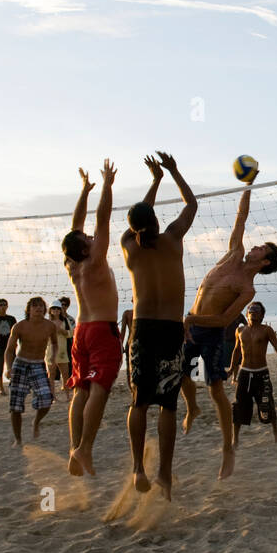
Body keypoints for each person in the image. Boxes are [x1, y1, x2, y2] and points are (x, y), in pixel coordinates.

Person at [180, 170, 277, 481]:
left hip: (208, 331)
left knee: (215, 389)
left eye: (261, 249)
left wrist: (193, 319)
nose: (254, 247)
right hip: (191, 325)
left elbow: (226, 320)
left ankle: (228, 449)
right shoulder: (233, 253)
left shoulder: (248, 289)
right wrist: (248, 186)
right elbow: (241, 216)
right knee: (180, 376)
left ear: (264, 262)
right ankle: (191, 408)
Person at [120, 152, 196, 500]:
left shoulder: (128, 247)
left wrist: (153, 183)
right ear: (155, 220)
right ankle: (164, 472)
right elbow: (191, 204)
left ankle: (138, 468)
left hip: (143, 330)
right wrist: (172, 173)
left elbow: (140, 214)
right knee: (167, 404)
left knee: (139, 402)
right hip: (169, 330)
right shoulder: (172, 239)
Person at [61, 161, 123, 477]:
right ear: (86, 247)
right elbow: (103, 218)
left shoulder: (72, 264)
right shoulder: (95, 261)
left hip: (81, 330)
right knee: (100, 388)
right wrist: (108, 185)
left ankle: (75, 447)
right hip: (101, 330)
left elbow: (77, 224)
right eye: (87, 238)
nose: (89, 236)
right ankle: (85, 449)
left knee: (80, 390)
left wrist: (84, 191)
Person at [228, 301, 277, 445]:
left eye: (256, 310)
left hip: (261, 374)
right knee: (239, 405)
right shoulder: (240, 331)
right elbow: (236, 350)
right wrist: (232, 369)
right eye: (250, 309)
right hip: (244, 373)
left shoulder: (266, 330)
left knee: (267, 404)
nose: (253, 311)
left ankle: (276, 433)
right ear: (247, 313)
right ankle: (235, 439)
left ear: (262, 314)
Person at [5, 296, 60, 448]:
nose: (38, 308)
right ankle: (18, 439)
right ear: (28, 310)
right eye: (35, 306)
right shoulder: (19, 326)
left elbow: (55, 343)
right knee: (15, 405)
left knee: (46, 399)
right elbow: (9, 350)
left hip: (38, 364)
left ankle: (36, 421)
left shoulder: (49, 326)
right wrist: (9, 368)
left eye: (41, 306)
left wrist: (53, 359)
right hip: (21, 363)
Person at [47, 304, 71, 403]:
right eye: (53, 308)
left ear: (60, 310)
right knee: (51, 375)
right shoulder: (47, 322)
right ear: (50, 310)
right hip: (50, 351)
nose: (56, 310)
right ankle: (52, 397)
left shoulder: (65, 321)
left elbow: (71, 333)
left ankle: (67, 396)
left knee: (65, 374)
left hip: (62, 351)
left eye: (57, 308)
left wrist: (61, 330)